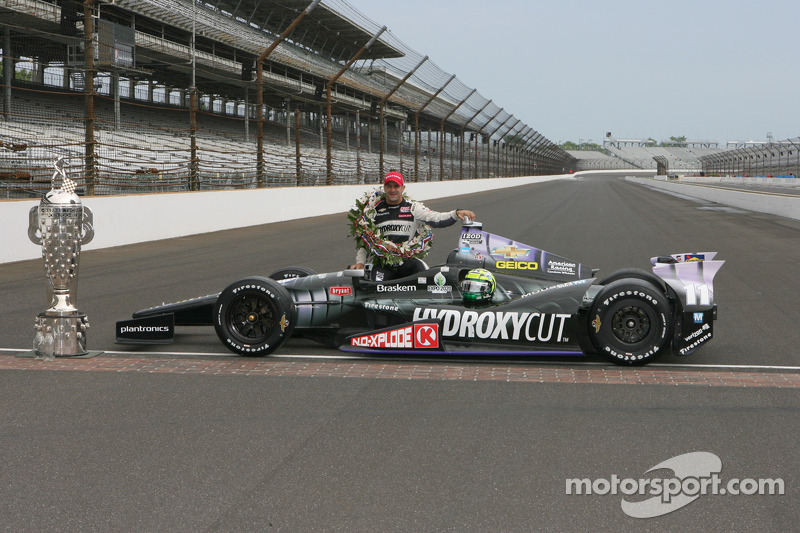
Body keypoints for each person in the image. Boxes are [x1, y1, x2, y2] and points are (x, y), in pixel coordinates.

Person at [350, 170, 476, 280]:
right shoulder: (373, 210)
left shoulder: (414, 208)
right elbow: (365, 239)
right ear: (384, 188)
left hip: (408, 261)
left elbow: (436, 218)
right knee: (375, 287)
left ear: (403, 188)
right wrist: (360, 262)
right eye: (389, 186)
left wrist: (455, 213)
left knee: (423, 279)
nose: (393, 190)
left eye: (396, 186)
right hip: (383, 265)